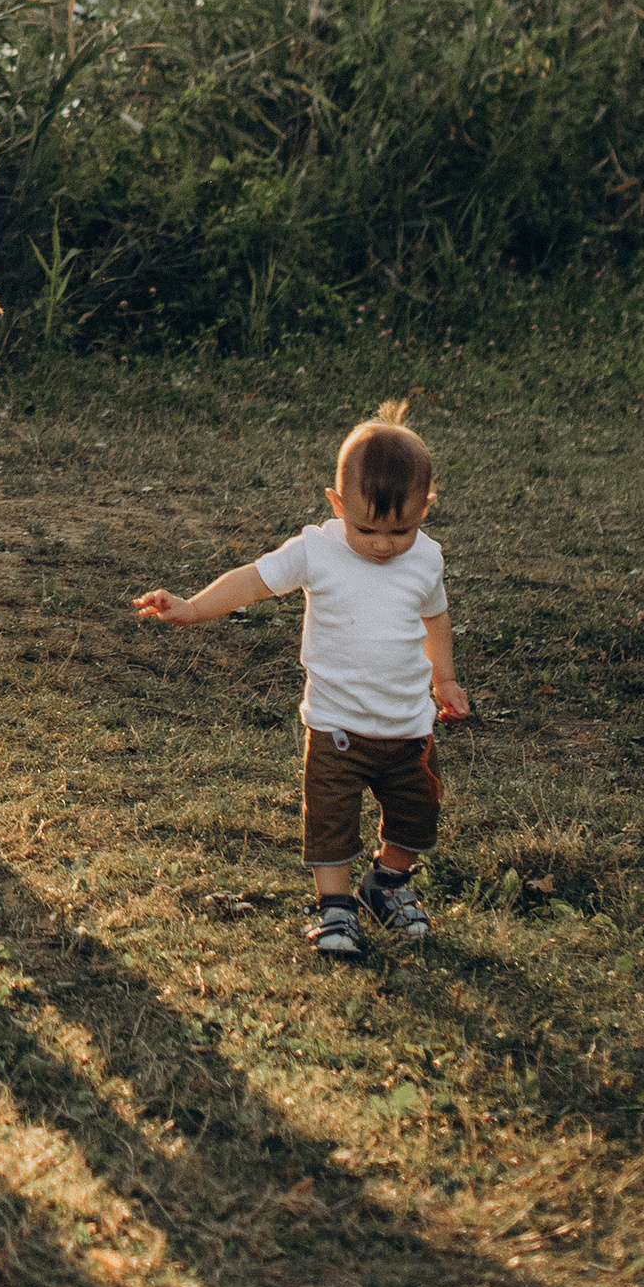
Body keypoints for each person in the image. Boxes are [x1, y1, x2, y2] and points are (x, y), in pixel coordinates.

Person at [134, 398, 469, 962]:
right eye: (366, 528)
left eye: (401, 529)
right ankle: (334, 906)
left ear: (426, 509)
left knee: (417, 816)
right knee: (332, 821)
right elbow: (252, 582)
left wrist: (446, 678)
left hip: (409, 728)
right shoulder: (316, 550)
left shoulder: (425, 559)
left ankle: (387, 882)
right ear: (337, 505)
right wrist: (192, 607)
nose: (384, 544)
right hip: (337, 728)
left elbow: (434, 618)